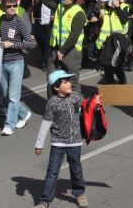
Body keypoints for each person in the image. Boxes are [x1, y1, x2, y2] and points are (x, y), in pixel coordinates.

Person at [34, 71, 97, 208]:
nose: (69, 83)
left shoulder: (75, 96)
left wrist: (93, 103)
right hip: (58, 143)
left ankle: (80, 193)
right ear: (57, 87)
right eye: (65, 82)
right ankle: (44, 200)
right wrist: (39, 144)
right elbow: (45, 124)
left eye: (69, 81)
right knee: (52, 172)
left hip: (75, 142)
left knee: (76, 169)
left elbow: (85, 108)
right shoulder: (52, 103)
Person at [0, 0, 36, 136]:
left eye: (14, 6)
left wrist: (12, 44)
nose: (12, 8)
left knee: (13, 96)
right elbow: (1, 33)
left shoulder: (20, 23)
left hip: (16, 63)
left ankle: (9, 125)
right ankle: (23, 114)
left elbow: (31, 44)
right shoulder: (2, 19)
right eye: (9, 6)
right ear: (3, 7)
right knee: (6, 95)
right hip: (3, 61)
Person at [47, 0, 87, 95]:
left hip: (71, 51)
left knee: (72, 81)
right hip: (56, 48)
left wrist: (62, 50)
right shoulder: (59, 5)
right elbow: (45, 0)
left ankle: (75, 108)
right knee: (52, 79)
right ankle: (52, 107)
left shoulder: (78, 12)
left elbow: (74, 35)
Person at [96, 0, 130, 84]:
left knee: (118, 66)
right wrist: (98, 14)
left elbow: (124, 19)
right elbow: (95, 10)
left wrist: (117, 7)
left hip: (119, 42)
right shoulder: (105, 8)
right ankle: (110, 88)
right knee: (107, 66)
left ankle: (123, 86)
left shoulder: (124, 6)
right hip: (107, 42)